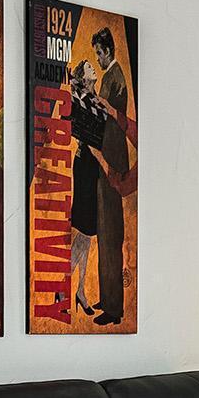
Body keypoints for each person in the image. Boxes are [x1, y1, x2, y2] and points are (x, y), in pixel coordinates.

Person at [64, 27, 136, 326]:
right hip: (97, 164)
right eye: (92, 58)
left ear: (107, 51)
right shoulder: (107, 81)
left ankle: (111, 306)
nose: (96, 58)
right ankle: (100, 299)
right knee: (97, 234)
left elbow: (104, 116)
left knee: (106, 237)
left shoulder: (113, 79)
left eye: (97, 54)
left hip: (107, 166)